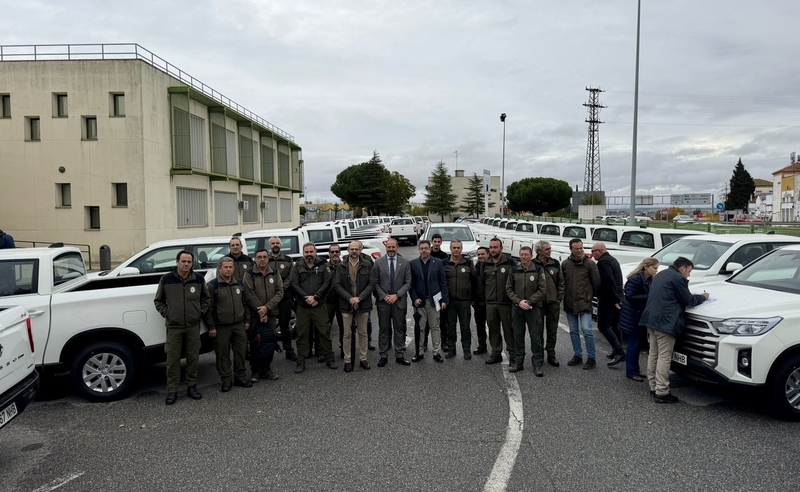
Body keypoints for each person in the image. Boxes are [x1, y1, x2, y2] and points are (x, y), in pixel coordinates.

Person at [639, 257, 708, 403]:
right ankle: (662, 391)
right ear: (682, 268)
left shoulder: (661, 274)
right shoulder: (678, 278)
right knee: (664, 357)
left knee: (653, 354)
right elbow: (688, 300)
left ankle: (653, 386)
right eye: (689, 271)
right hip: (665, 323)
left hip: (650, 320)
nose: (688, 275)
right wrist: (703, 297)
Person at [154, 250, 211, 405]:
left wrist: (199, 312)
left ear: (192, 263)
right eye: (183, 261)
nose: (186, 264)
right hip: (174, 327)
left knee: (193, 358)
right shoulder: (167, 279)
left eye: (189, 262)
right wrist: (168, 314)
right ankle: (171, 391)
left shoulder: (198, 279)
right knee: (172, 360)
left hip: (193, 326)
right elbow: (158, 301)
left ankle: (192, 387)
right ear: (177, 262)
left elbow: (206, 298)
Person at [205, 257, 252, 392]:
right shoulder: (212, 285)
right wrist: (211, 327)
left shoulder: (239, 283)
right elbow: (208, 309)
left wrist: (247, 320)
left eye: (230, 267)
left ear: (234, 268)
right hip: (221, 327)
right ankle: (226, 379)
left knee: (240, 352)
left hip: (239, 325)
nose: (228, 269)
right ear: (220, 268)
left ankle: (240, 377)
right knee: (222, 354)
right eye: (225, 267)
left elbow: (245, 303)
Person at [289, 242, 337, 373]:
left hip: (318, 305)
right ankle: (301, 361)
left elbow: (328, 282)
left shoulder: (323, 265)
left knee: (324, 332)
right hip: (303, 305)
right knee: (302, 334)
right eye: (306, 252)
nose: (309, 254)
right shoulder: (297, 265)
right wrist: (306, 297)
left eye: (311, 252)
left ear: (315, 252)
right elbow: (294, 283)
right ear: (303, 253)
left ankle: (329, 358)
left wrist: (316, 297)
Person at [242, 248, 284, 382]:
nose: (262, 259)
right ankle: (255, 370)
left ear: (268, 258)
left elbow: (280, 292)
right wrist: (260, 310)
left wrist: (267, 308)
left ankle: (267, 368)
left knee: (269, 342)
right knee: (255, 342)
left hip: (271, 314)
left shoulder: (275, 273)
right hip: (255, 315)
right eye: (259, 257)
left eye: (264, 257)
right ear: (254, 259)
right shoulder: (249, 273)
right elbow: (248, 294)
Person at [332, 241, 374, 372]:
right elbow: (337, 285)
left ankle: (363, 359)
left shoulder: (367, 264)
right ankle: (347, 361)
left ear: (360, 250)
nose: (354, 251)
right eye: (352, 249)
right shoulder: (341, 266)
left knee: (363, 333)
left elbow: (372, 283)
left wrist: (359, 298)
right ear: (348, 250)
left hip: (363, 303)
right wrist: (350, 298)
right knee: (347, 334)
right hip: (346, 304)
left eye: (356, 249)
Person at [506, 246, 547, 375]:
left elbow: (542, 289)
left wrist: (529, 302)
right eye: (521, 254)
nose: (523, 257)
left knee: (535, 336)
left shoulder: (539, 270)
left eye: (526, 255)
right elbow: (508, 289)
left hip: (533, 308)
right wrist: (519, 301)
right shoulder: (513, 270)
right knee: (518, 336)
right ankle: (518, 362)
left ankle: (537, 364)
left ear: (531, 256)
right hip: (517, 308)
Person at [371, 239, 412, 367]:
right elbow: (374, 282)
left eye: (393, 247)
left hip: (399, 301)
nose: (391, 249)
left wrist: (397, 295)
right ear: (386, 248)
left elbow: (408, 282)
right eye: (389, 247)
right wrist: (384, 296)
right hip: (383, 302)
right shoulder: (378, 263)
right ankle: (383, 355)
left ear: (397, 247)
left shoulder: (405, 263)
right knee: (383, 329)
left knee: (399, 328)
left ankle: (399, 355)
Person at [562, 238, 601, 370]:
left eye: (581, 248)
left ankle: (591, 358)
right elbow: (562, 283)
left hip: (584, 303)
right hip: (569, 303)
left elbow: (596, 283)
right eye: (576, 248)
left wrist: (589, 297)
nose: (579, 250)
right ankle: (577, 355)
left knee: (587, 330)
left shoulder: (590, 264)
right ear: (571, 249)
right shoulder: (565, 264)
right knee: (573, 330)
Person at [618, 257, 659, 382]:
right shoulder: (636, 278)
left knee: (637, 344)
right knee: (633, 344)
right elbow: (629, 296)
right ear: (646, 267)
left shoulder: (649, 279)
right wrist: (649, 296)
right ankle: (631, 371)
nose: (656, 271)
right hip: (632, 316)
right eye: (654, 268)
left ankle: (635, 369)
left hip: (639, 315)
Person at [409, 240, 449, 363]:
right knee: (420, 328)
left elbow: (443, 282)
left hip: (435, 301)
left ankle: (436, 352)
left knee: (435, 327)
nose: (424, 251)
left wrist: (444, 300)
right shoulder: (413, 264)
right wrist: (414, 298)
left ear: (430, 249)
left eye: (426, 248)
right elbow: (411, 284)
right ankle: (419, 352)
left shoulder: (438, 263)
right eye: (422, 249)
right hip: (420, 302)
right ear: (419, 250)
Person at [479, 238, 517, 365]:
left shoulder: (511, 262)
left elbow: (515, 282)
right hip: (491, 303)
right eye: (491, 247)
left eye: (495, 247)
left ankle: (513, 354)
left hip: (506, 303)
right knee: (493, 330)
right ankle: (496, 353)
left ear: (501, 248)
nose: (493, 250)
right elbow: (483, 283)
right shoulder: (485, 264)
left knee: (509, 330)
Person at [592, 242, 626, 367]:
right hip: (617, 297)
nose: (592, 253)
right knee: (615, 325)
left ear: (600, 251)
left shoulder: (603, 262)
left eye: (593, 251)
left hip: (609, 299)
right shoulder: (612, 259)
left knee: (603, 326)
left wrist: (614, 299)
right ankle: (616, 350)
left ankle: (619, 351)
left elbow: (609, 280)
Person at [533, 240, 564, 367]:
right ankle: (538, 355)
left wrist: (558, 299)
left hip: (552, 303)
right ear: (539, 251)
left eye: (550, 249)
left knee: (552, 331)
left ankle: (551, 354)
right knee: (538, 331)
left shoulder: (555, 263)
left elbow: (561, 282)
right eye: (547, 249)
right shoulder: (533, 264)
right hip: (538, 305)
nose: (549, 251)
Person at [443, 239, 475, 359]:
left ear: (461, 249)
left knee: (465, 327)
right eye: (454, 248)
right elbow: (442, 282)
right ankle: (451, 349)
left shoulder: (468, 263)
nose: (456, 250)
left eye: (458, 248)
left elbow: (474, 281)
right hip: (450, 301)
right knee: (450, 327)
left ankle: (466, 350)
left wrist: (472, 298)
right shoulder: (444, 263)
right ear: (450, 249)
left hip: (464, 300)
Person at [268, 236, 297, 361]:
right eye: (273, 243)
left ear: (281, 245)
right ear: (270, 246)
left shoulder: (288, 260)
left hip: (285, 297)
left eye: (277, 243)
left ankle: (289, 351)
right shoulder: (265, 259)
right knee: (269, 327)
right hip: (269, 299)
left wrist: (280, 291)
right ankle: (268, 352)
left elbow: (291, 278)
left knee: (285, 326)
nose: (275, 245)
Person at [324, 245, 346, 358]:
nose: (334, 254)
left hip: (343, 301)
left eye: (337, 251)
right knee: (326, 327)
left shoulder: (345, 266)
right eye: (332, 252)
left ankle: (344, 350)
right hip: (328, 301)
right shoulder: (324, 267)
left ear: (340, 252)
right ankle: (326, 352)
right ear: (329, 253)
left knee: (344, 328)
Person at [472, 246, 490, 355]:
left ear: (488, 254)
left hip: (490, 302)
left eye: (483, 254)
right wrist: (473, 300)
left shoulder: (492, 267)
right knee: (480, 326)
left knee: (493, 327)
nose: (480, 256)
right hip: (478, 303)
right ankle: (482, 346)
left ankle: (496, 349)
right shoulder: (475, 268)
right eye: (478, 254)